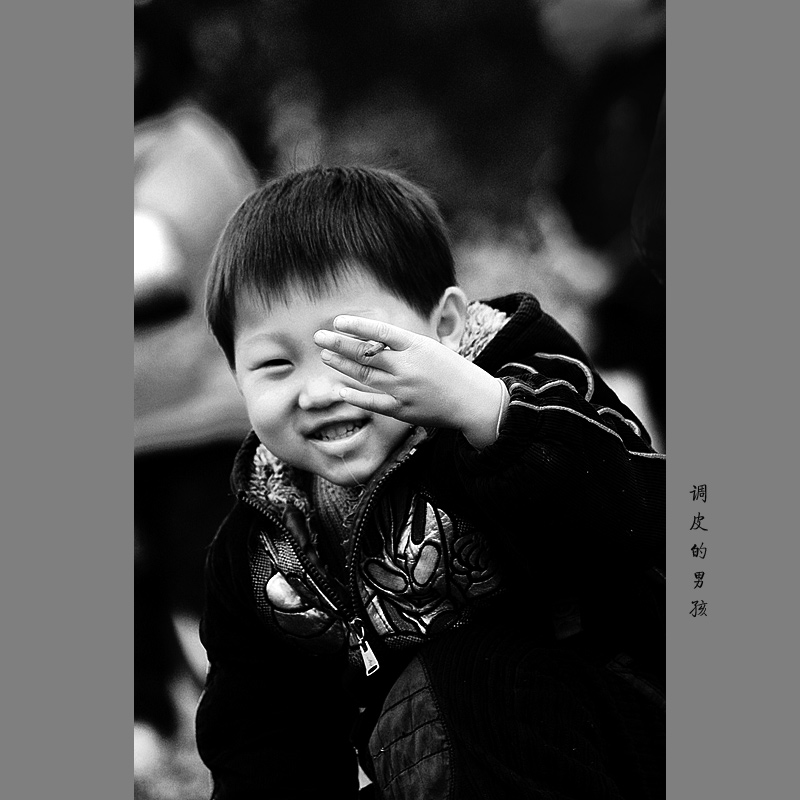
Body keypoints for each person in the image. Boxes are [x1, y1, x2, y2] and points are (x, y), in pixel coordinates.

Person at [195, 165, 665, 799]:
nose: (319, 391)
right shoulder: (263, 550)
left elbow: (636, 513)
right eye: (275, 365)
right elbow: (261, 737)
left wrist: (491, 418)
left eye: (355, 349)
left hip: (621, 734)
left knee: (463, 677)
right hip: (445, 767)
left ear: (445, 326)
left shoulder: (526, 402)